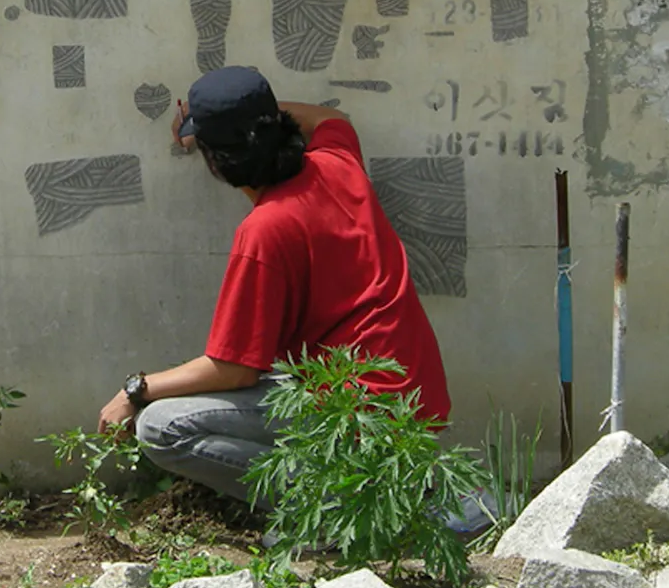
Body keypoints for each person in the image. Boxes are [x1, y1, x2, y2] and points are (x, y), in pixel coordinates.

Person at [97, 64, 451, 504]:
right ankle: (379, 485)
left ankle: (335, 505)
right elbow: (327, 118)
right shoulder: (339, 165)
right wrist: (250, 115)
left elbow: (235, 369)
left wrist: (135, 389)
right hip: (413, 404)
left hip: (355, 415)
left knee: (160, 426)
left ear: (214, 161)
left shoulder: (264, 231)